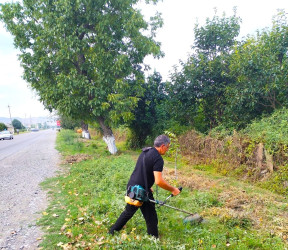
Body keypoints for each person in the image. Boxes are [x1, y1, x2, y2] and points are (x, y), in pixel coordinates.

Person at [109, 135, 180, 238]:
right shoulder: (158, 159)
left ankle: (112, 231)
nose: (167, 149)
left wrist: (147, 184)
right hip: (141, 190)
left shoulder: (146, 151)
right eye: (168, 147)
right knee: (150, 216)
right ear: (163, 146)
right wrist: (173, 189)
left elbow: (143, 169)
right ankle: (153, 239)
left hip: (133, 185)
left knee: (129, 211)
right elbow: (159, 181)